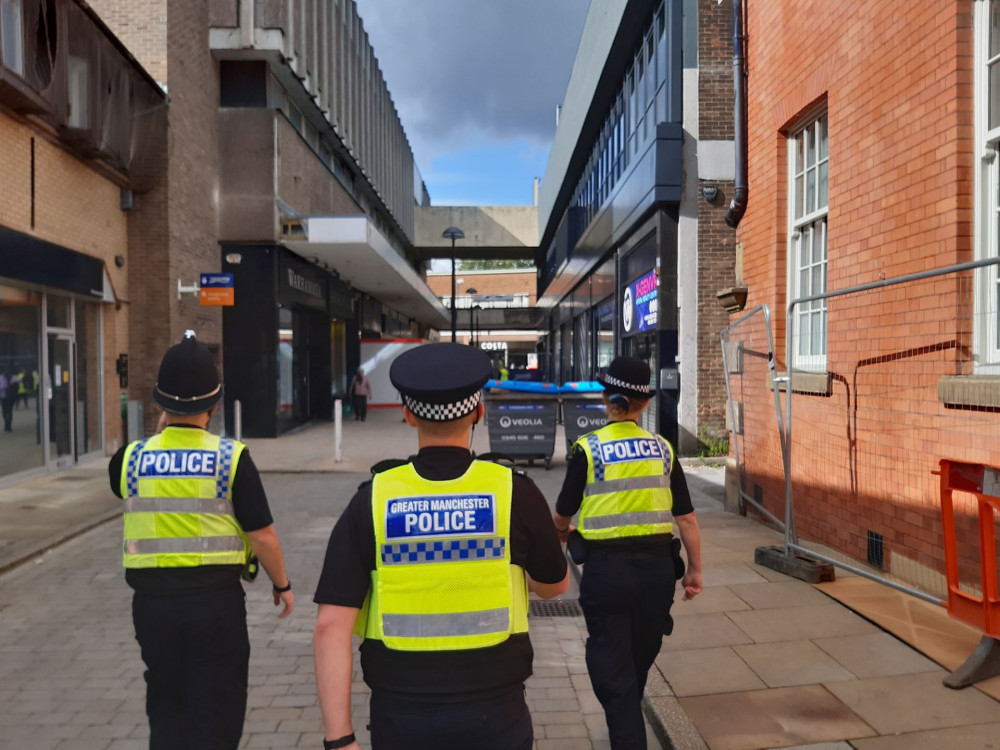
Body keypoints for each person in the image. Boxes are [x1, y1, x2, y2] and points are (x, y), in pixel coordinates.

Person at [313, 342, 570, 750]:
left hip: (401, 720)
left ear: (408, 414)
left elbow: (330, 626)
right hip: (496, 717)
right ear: (478, 412)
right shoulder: (515, 493)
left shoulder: (372, 500)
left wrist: (340, 739)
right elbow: (556, 586)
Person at [108, 330, 295, 750]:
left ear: (161, 404)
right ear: (214, 404)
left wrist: (162, 430)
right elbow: (262, 535)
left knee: (167, 706)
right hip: (215, 607)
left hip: (154, 609)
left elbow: (125, 485)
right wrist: (281, 584)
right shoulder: (232, 459)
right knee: (217, 709)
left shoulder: (130, 459)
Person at [553, 356, 703, 750]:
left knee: (612, 665)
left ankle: (626, 730)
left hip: (607, 575)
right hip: (656, 575)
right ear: (645, 402)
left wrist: (561, 532)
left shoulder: (589, 449)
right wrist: (695, 570)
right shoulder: (663, 449)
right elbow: (687, 518)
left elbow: (564, 510)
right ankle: (626, 723)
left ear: (607, 399)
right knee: (637, 657)